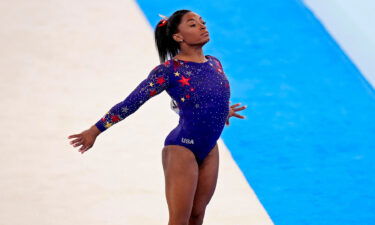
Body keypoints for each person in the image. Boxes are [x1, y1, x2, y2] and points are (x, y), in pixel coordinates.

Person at [68, 9, 246, 225]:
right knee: (179, 220)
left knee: (197, 216)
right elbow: (131, 102)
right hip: (182, 148)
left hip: (209, 148)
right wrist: (95, 130)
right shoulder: (169, 71)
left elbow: (203, 95)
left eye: (202, 22)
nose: (202, 26)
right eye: (192, 24)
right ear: (178, 37)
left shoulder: (214, 63)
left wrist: (220, 111)